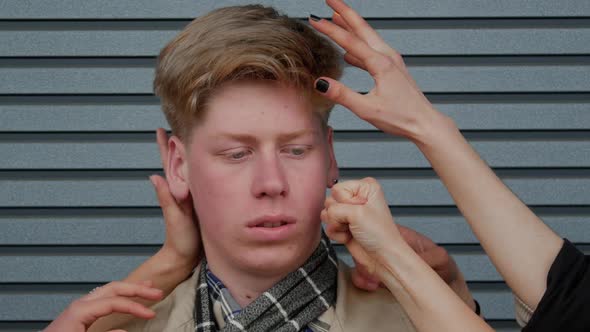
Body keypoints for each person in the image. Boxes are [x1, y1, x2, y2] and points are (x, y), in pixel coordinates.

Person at [45, 1, 481, 331]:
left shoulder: (431, 321)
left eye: (295, 151)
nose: (271, 184)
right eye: (236, 154)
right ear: (178, 164)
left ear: (330, 156)